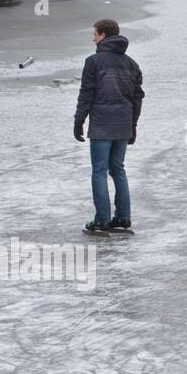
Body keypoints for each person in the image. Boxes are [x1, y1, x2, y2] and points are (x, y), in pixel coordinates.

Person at [74, 19, 144, 236]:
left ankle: (102, 220)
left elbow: (87, 94)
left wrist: (79, 121)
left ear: (103, 35)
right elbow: (137, 97)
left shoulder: (93, 62)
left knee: (99, 171)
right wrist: (133, 125)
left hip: (102, 124)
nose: (93, 38)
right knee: (118, 170)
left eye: (94, 34)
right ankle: (123, 218)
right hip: (123, 124)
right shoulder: (131, 64)